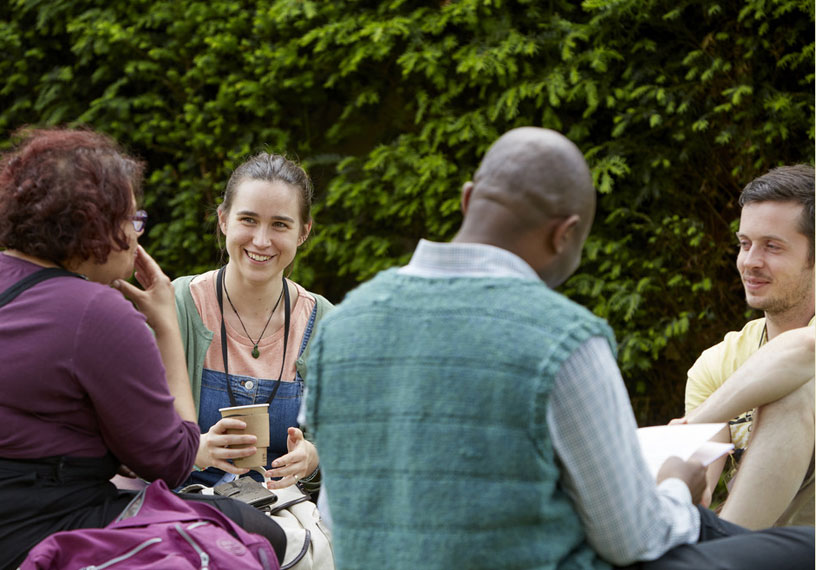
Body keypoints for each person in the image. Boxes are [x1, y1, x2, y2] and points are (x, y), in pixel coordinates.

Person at [304, 127, 815, 569]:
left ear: (466, 199)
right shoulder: (562, 338)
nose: (750, 259)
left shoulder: (339, 326)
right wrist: (675, 485)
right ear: (566, 234)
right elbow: (631, 536)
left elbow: (337, 513)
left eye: (771, 245)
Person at [0, 127, 286, 569]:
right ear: (94, 225)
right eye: (133, 221)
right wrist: (167, 326)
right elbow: (171, 460)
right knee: (259, 533)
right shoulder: (96, 312)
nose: (137, 237)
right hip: (43, 525)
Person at [173, 152, 332, 492]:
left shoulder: (323, 322)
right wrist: (192, 451)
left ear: (303, 232)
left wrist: (312, 458)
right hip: (184, 506)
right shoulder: (179, 305)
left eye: (280, 224)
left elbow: (348, 442)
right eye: (248, 220)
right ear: (223, 220)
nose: (261, 241)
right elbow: (135, 433)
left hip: (285, 512)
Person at [679, 165, 815, 529]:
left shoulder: (806, 345)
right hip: (762, 551)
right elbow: (702, 478)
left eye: (772, 246)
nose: (750, 262)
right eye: (744, 244)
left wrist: (693, 423)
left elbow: (803, 350)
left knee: (791, 389)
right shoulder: (717, 363)